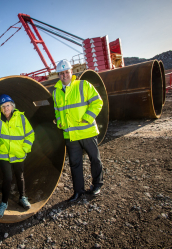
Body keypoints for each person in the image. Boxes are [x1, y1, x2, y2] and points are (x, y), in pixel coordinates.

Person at [53, 59, 104, 203]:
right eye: (61, 73)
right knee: (75, 164)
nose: (64, 75)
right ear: (58, 75)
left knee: (95, 159)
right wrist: (60, 122)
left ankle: (97, 185)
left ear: (71, 72)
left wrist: (88, 118)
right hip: (70, 135)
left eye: (67, 72)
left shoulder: (83, 85)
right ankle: (78, 191)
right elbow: (57, 111)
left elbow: (97, 102)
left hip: (87, 131)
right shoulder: (56, 93)